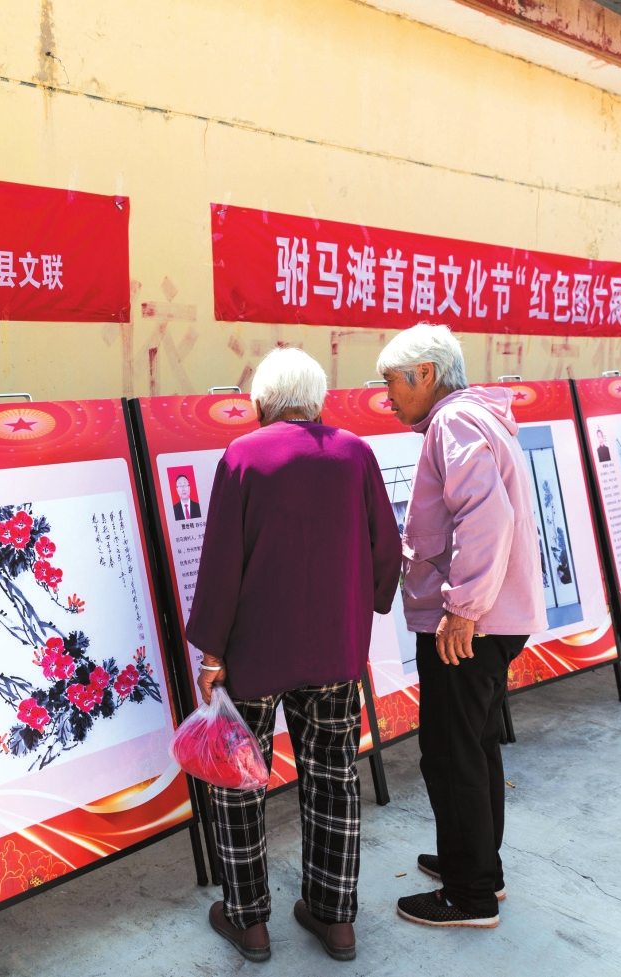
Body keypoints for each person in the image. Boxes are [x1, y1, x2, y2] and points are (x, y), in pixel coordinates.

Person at [186, 347, 401, 963]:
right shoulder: (356, 454)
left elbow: (222, 564)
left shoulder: (243, 457)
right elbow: (386, 549)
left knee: (239, 780)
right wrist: (365, 605)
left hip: (253, 654)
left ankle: (249, 921)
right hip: (335, 648)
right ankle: (336, 919)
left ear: (261, 403)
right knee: (334, 776)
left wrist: (212, 655)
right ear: (318, 401)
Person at [375, 324, 545, 929]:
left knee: (451, 753)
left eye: (392, 383)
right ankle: (476, 867)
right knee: (474, 745)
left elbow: (485, 517)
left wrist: (462, 609)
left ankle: (468, 895)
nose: (387, 397)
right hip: (494, 617)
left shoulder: (454, 422)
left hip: (472, 623)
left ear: (425, 373)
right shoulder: (475, 417)